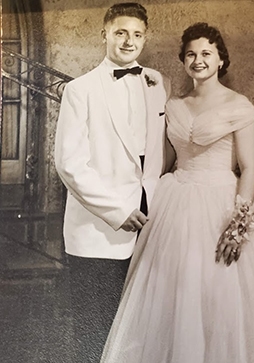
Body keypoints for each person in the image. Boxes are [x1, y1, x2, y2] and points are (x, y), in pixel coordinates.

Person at [100, 23, 254, 363]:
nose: (198, 60)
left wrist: (238, 224)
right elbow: (165, 162)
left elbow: (250, 169)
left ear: (220, 60)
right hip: (175, 202)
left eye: (206, 53)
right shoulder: (173, 105)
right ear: (183, 60)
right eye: (191, 54)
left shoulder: (239, 106)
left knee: (223, 294)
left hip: (223, 200)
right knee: (176, 296)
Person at [55, 3, 170, 362]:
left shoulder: (156, 81)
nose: (128, 41)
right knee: (96, 330)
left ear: (145, 37)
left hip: (149, 223)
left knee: (138, 329)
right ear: (104, 34)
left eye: (136, 34)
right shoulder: (80, 89)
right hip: (97, 229)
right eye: (120, 32)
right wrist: (118, 210)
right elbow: (70, 163)